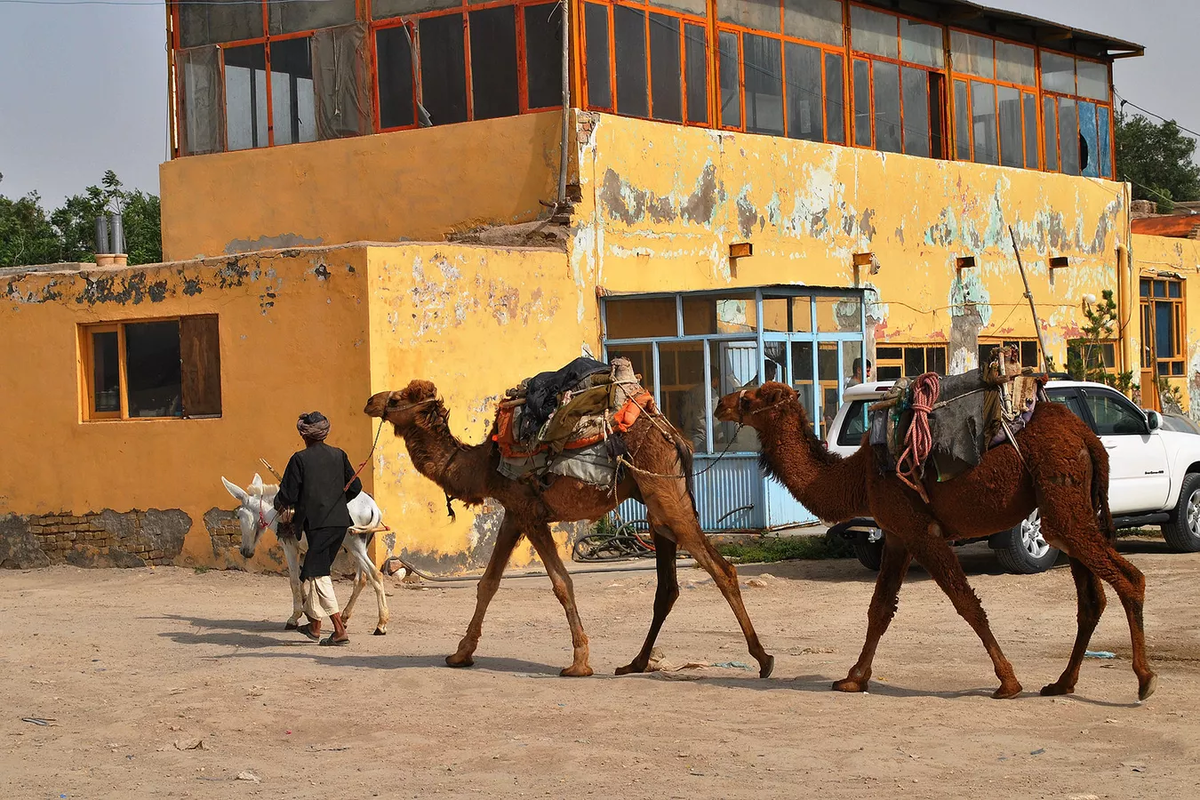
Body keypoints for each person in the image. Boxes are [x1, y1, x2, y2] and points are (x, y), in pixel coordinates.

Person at [274, 411, 363, 646]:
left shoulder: (299, 459)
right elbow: (356, 487)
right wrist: (336, 501)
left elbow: (288, 495)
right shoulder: (339, 455)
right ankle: (314, 625)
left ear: (304, 434)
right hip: (340, 523)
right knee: (316, 568)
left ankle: (339, 629)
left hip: (317, 525)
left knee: (317, 573)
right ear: (324, 433)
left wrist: (279, 503)